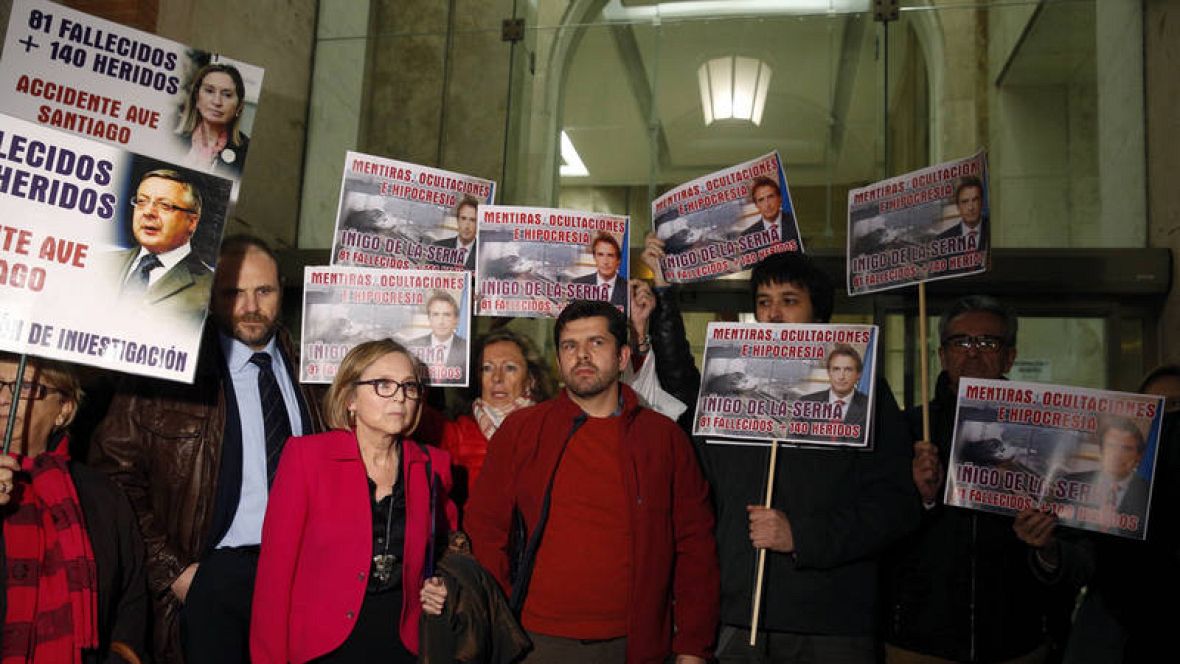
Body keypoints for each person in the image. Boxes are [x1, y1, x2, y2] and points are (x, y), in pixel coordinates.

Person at [642, 236, 918, 661]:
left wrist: (802, 537)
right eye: (764, 300)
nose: (773, 313)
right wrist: (663, 294)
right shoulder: (736, 387)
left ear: (818, 313)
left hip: (830, 624)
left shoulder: (861, 393)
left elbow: (896, 505)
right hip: (736, 615)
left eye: (789, 300)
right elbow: (683, 388)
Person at [91, 236, 325, 664]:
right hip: (210, 577)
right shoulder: (166, 372)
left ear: (283, 288)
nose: (250, 306)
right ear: (211, 291)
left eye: (264, 291)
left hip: (303, 576)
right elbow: (113, 477)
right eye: (233, 292)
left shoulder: (315, 373)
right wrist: (174, 573)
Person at [465, 299, 719, 662]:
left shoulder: (663, 439)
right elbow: (485, 528)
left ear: (622, 357)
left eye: (596, 343)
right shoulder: (521, 431)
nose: (581, 355)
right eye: (570, 346)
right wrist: (500, 615)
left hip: (634, 643)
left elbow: (695, 546)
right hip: (535, 641)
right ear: (558, 360)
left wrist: (694, 646)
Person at [250, 338, 457, 662]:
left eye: (409, 386)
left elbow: (446, 553)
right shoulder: (306, 459)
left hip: (402, 645)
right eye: (383, 385)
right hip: (322, 647)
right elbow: (273, 581)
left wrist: (441, 585)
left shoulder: (432, 467)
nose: (400, 397)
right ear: (350, 399)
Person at [884, 295, 1061, 663]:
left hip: (1017, 641)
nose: (973, 352)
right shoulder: (908, 429)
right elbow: (875, 527)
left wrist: (1047, 549)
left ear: (1009, 356)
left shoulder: (1044, 431)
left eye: (988, 343)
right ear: (942, 355)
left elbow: (1078, 552)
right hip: (919, 641)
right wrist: (922, 499)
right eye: (961, 342)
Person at [1, 354, 148, 664]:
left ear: (63, 409)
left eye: (23, 387)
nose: (3, 400)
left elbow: (130, 601)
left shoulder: (102, 496)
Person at [416, 328, 554, 510]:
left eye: (510, 368)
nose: (497, 378)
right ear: (475, 378)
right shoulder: (455, 434)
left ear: (531, 379)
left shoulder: (551, 429)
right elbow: (411, 409)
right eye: (486, 368)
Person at [111, 168, 214, 323]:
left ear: (192, 222)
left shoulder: (209, 289)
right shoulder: (101, 262)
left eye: (165, 205)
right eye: (141, 201)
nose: (148, 212)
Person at [1062, 417, 1150, 529]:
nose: (1117, 455)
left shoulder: (1149, 494)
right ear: (1101, 450)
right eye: (1111, 446)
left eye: (1127, 449)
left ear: (1139, 456)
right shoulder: (1067, 483)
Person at [177, 63, 250, 174]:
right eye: (209, 91)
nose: (217, 102)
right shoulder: (171, 135)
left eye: (227, 95)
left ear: (239, 106)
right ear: (197, 98)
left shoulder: (247, 152)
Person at [798, 343, 869, 439]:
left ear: (858, 374)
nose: (841, 376)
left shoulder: (870, 407)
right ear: (829, 373)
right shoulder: (805, 404)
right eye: (836, 369)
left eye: (848, 370)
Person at [407, 291, 468, 383]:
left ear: (456, 319)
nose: (441, 321)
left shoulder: (466, 348)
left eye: (447, 315)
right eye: (436, 314)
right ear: (429, 318)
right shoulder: (413, 346)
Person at [738, 175, 801, 250]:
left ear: (780, 198)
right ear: (757, 205)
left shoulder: (797, 223)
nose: (767, 205)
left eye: (771, 197)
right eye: (761, 200)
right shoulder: (747, 237)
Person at [571, 233, 627, 307]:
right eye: (600, 255)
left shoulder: (628, 289)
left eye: (610, 255)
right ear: (594, 258)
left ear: (618, 260)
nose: (605, 262)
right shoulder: (577, 285)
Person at [936, 176, 986, 250]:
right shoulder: (942, 241)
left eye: (975, 200)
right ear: (958, 207)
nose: (970, 208)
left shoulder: (993, 231)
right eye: (965, 201)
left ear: (982, 202)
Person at [433, 196, 479, 271]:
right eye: (463, 218)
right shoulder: (437, 248)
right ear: (457, 220)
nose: (467, 226)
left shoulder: (483, 257)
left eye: (472, 220)